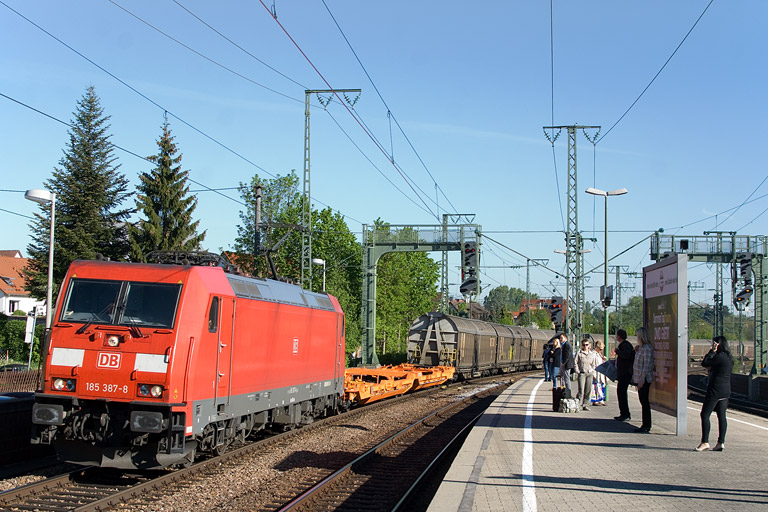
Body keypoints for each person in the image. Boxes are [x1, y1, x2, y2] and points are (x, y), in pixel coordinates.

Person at [695, 335, 734, 452]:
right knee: (721, 415)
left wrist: (711, 351)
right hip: (725, 390)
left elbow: (705, 363)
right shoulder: (728, 357)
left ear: (718, 345)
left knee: (705, 414)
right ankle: (720, 442)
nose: (712, 346)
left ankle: (704, 442)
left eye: (714, 344)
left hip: (715, 390)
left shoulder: (720, 357)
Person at [632, 327, 654, 433]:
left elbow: (646, 366)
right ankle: (644, 424)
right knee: (642, 401)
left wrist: (641, 380)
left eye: (638, 336)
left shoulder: (647, 349)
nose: (637, 338)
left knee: (645, 402)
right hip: (639, 378)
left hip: (644, 379)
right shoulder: (641, 348)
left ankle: (646, 425)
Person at [614, 329, 634, 421]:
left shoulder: (625, 345)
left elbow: (626, 356)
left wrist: (618, 351)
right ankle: (623, 413)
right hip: (623, 373)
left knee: (622, 393)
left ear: (619, 336)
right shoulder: (625, 345)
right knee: (621, 393)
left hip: (625, 373)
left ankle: (625, 414)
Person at [574, 336, 599, 410]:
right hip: (582, 373)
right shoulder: (579, 353)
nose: (585, 346)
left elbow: (594, 364)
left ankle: (585, 404)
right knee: (581, 389)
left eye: (587, 345)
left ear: (589, 345)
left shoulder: (592, 354)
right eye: (584, 345)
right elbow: (575, 362)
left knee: (588, 390)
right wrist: (577, 371)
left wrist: (593, 371)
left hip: (589, 373)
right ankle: (578, 403)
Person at [592, 338, 607, 406]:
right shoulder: (593, 354)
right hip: (596, 372)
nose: (601, 351)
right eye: (600, 349)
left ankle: (601, 399)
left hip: (601, 372)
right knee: (595, 386)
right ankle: (596, 400)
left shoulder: (599, 354)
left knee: (601, 385)